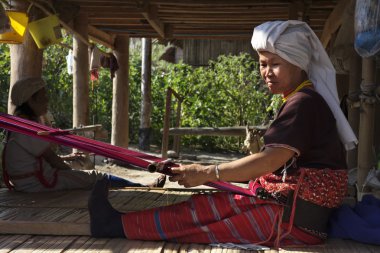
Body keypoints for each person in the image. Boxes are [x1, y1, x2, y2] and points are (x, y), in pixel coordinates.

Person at [88, 20, 358, 248]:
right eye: (263, 64)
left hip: (292, 223)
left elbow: (269, 162)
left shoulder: (303, 103)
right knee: (212, 205)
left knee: (203, 213)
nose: (266, 72)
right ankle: (117, 224)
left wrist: (207, 172)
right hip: (298, 216)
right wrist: (208, 172)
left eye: (274, 64)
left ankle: (114, 225)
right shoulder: (302, 99)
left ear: (298, 63)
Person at [2, 77, 166, 192]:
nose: (47, 101)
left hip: (29, 181)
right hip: (37, 184)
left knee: (89, 176)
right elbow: (52, 159)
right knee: (97, 176)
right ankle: (144, 187)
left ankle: (141, 186)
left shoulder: (19, 125)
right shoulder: (27, 130)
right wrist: (73, 174)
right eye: (43, 97)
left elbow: (38, 157)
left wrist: (69, 166)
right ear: (31, 101)